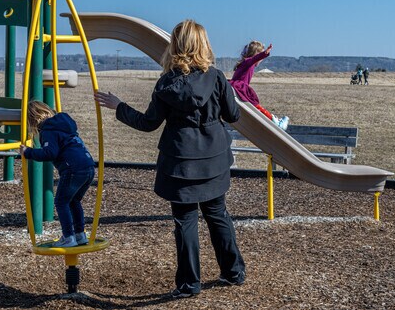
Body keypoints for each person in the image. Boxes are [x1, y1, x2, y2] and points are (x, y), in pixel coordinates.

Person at [94, 19, 246, 299]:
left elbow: (148, 123)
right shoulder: (216, 77)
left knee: (186, 221)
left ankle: (190, 284)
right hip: (213, 159)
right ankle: (233, 271)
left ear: (175, 46)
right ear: (203, 45)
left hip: (180, 163)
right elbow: (233, 116)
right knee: (217, 214)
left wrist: (120, 107)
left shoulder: (166, 84)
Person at [19, 101, 95, 248]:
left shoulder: (48, 130)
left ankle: (68, 237)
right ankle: (80, 234)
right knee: (73, 201)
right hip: (88, 166)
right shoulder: (62, 125)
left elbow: (50, 153)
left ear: (33, 119)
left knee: (61, 202)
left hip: (73, 169)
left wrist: (28, 152)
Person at [230, 40, 289, 130]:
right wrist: (265, 53)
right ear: (256, 54)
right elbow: (255, 58)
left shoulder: (244, 63)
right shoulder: (248, 62)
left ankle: (273, 119)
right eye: (260, 57)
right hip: (239, 88)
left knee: (255, 106)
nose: (260, 61)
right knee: (255, 106)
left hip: (236, 87)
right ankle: (275, 122)